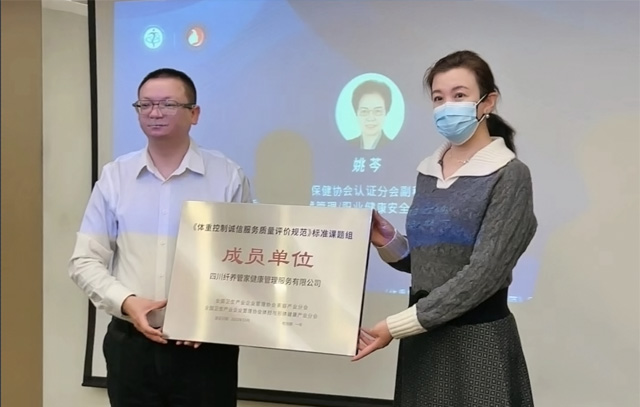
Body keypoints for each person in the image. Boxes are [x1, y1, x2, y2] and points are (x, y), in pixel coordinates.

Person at [352, 50, 537, 407]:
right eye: (439, 98)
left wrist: (395, 327)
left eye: (459, 95)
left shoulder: (509, 174)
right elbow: (432, 263)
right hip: (423, 340)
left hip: (476, 341)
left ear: (488, 102)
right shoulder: (428, 170)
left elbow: (483, 275)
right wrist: (388, 241)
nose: (447, 106)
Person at [69, 68, 252, 407]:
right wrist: (126, 301)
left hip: (205, 350)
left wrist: (208, 316)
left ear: (194, 113)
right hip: (130, 346)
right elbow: (85, 260)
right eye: (145, 104)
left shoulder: (227, 176)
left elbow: (241, 261)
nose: (154, 113)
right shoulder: (115, 176)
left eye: (168, 104)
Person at [348, 80, 393, 150]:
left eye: (377, 111)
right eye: (364, 111)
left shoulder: (394, 147)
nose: (370, 118)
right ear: (356, 113)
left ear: (386, 112)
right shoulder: (346, 146)